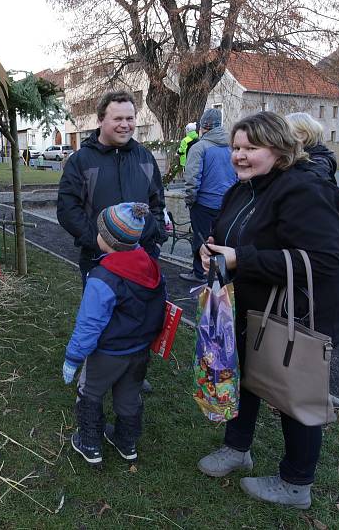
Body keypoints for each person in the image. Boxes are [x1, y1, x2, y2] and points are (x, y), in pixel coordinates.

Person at [196, 112, 339, 509]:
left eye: (252, 148)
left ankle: (296, 483)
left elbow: (323, 261)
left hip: (298, 314)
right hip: (250, 306)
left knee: (292, 392)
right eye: (235, 147)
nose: (240, 156)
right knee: (244, 375)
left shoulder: (304, 190)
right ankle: (237, 448)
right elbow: (228, 233)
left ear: (281, 150)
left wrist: (240, 259)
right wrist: (212, 248)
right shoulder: (244, 189)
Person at [62, 202, 166, 466]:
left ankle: (90, 443)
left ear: (106, 239)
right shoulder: (150, 266)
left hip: (108, 352)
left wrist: (73, 358)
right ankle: (126, 441)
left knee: (90, 394)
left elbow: (89, 323)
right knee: (129, 395)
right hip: (139, 350)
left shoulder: (103, 277)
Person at [57, 89, 167, 284]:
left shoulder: (145, 158)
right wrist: (96, 241)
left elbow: (157, 203)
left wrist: (154, 239)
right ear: (101, 120)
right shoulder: (81, 161)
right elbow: (68, 209)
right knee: (99, 315)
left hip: (142, 259)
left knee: (141, 314)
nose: (125, 125)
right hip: (99, 261)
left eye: (130, 118)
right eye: (117, 119)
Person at [180, 108, 237, 283]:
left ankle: (199, 272)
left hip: (203, 203)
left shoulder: (199, 147)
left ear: (204, 126)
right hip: (226, 203)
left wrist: (190, 199)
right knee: (220, 240)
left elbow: (192, 177)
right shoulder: (231, 147)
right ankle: (218, 275)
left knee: (201, 238)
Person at [286, 112, 338, 184]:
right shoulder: (303, 154)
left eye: (287, 132)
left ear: (303, 135)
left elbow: (313, 184)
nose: (284, 137)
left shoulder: (319, 162)